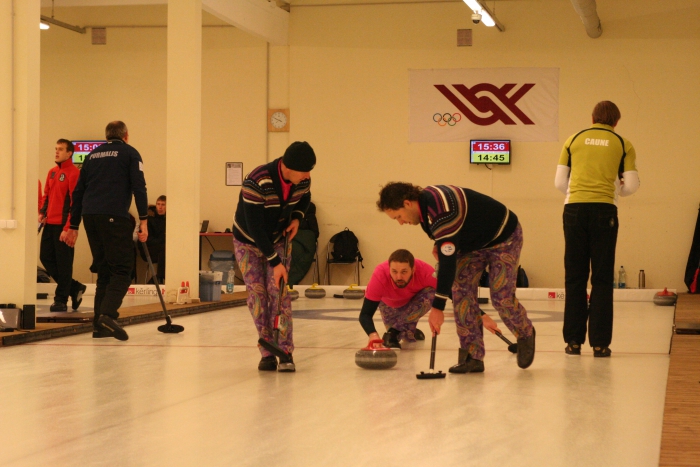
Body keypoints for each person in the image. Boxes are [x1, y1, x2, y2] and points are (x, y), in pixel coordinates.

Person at [377, 182, 535, 373]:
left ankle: (525, 333)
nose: (401, 222)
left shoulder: (441, 211)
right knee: (461, 293)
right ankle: (472, 357)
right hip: (472, 245)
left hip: (503, 238)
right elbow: (446, 240)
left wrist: (437, 307)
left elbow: (448, 264)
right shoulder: (424, 209)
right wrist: (439, 244)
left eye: (398, 216)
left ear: (407, 203)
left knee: (501, 297)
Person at [555, 101, 639, 358]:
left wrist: (576, 194)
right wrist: (616, 190)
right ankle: (600, 344)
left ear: (592, 118)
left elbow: (559, 183)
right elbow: (631, 185)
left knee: (575, 276)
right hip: (605, 211)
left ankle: (573, 342)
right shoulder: (623, 144)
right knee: (602, 278)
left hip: (574, 211)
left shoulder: (573, 139)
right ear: (616, 122)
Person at [233, 141, 316, 372]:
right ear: (288, 167)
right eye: (305, 170)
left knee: (279, 294)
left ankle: (285, 351)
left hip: (279, 239)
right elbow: (256, 228)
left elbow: (305, 198)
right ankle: (267, 352)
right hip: (248, 242)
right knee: (258, 296)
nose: (308, 176)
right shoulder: (257, 181)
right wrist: (275, 262)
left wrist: (297, 217)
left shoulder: (303, 181)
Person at [64, 121, 149, 341]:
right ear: (126, 135)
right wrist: (144, 220)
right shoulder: (130, 153)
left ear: (106, 136)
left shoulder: (92, 156)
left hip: (90, 217)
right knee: (123, 269)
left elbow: (78, 192)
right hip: (114, 216)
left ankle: (98, 326)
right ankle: (107, 315)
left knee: (104, 270)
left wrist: (74, 225)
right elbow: (139, 187)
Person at [359, 248, 501, 349]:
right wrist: (373, 335)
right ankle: (409, 329)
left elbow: (455, 295)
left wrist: (481, 315)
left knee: (434, 292)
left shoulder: (425, 272)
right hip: (389, 305)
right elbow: (365, 314)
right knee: (405, 336)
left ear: (413, 269)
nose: (398, 277)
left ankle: (396, 331)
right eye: (394, 272)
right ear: (389, 269)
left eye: (404, 272)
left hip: (414, 302)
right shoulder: (379, 276)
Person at [39, 139, 87, 312]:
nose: (57, 152)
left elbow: (75, 202)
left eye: (60, 149)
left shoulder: (74, 173)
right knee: (45, 257)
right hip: (49, 224)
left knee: (64, 264)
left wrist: (68, 228)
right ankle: (74, 287)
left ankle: (61, 299)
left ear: (69, 153)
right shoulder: (52, 172)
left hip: (63, 226)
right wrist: (42, 213)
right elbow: (46, 195)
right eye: (56, 149)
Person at [144, 195, 166, 283]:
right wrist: (162, 241)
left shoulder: (170, 219)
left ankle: (158, 279)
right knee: (165, 250)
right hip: (149, 248)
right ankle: (159, 279)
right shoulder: (150, 218)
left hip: (162, 247)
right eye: (158, 204)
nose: (160, 207)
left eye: (163, 205)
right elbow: (148, 239)